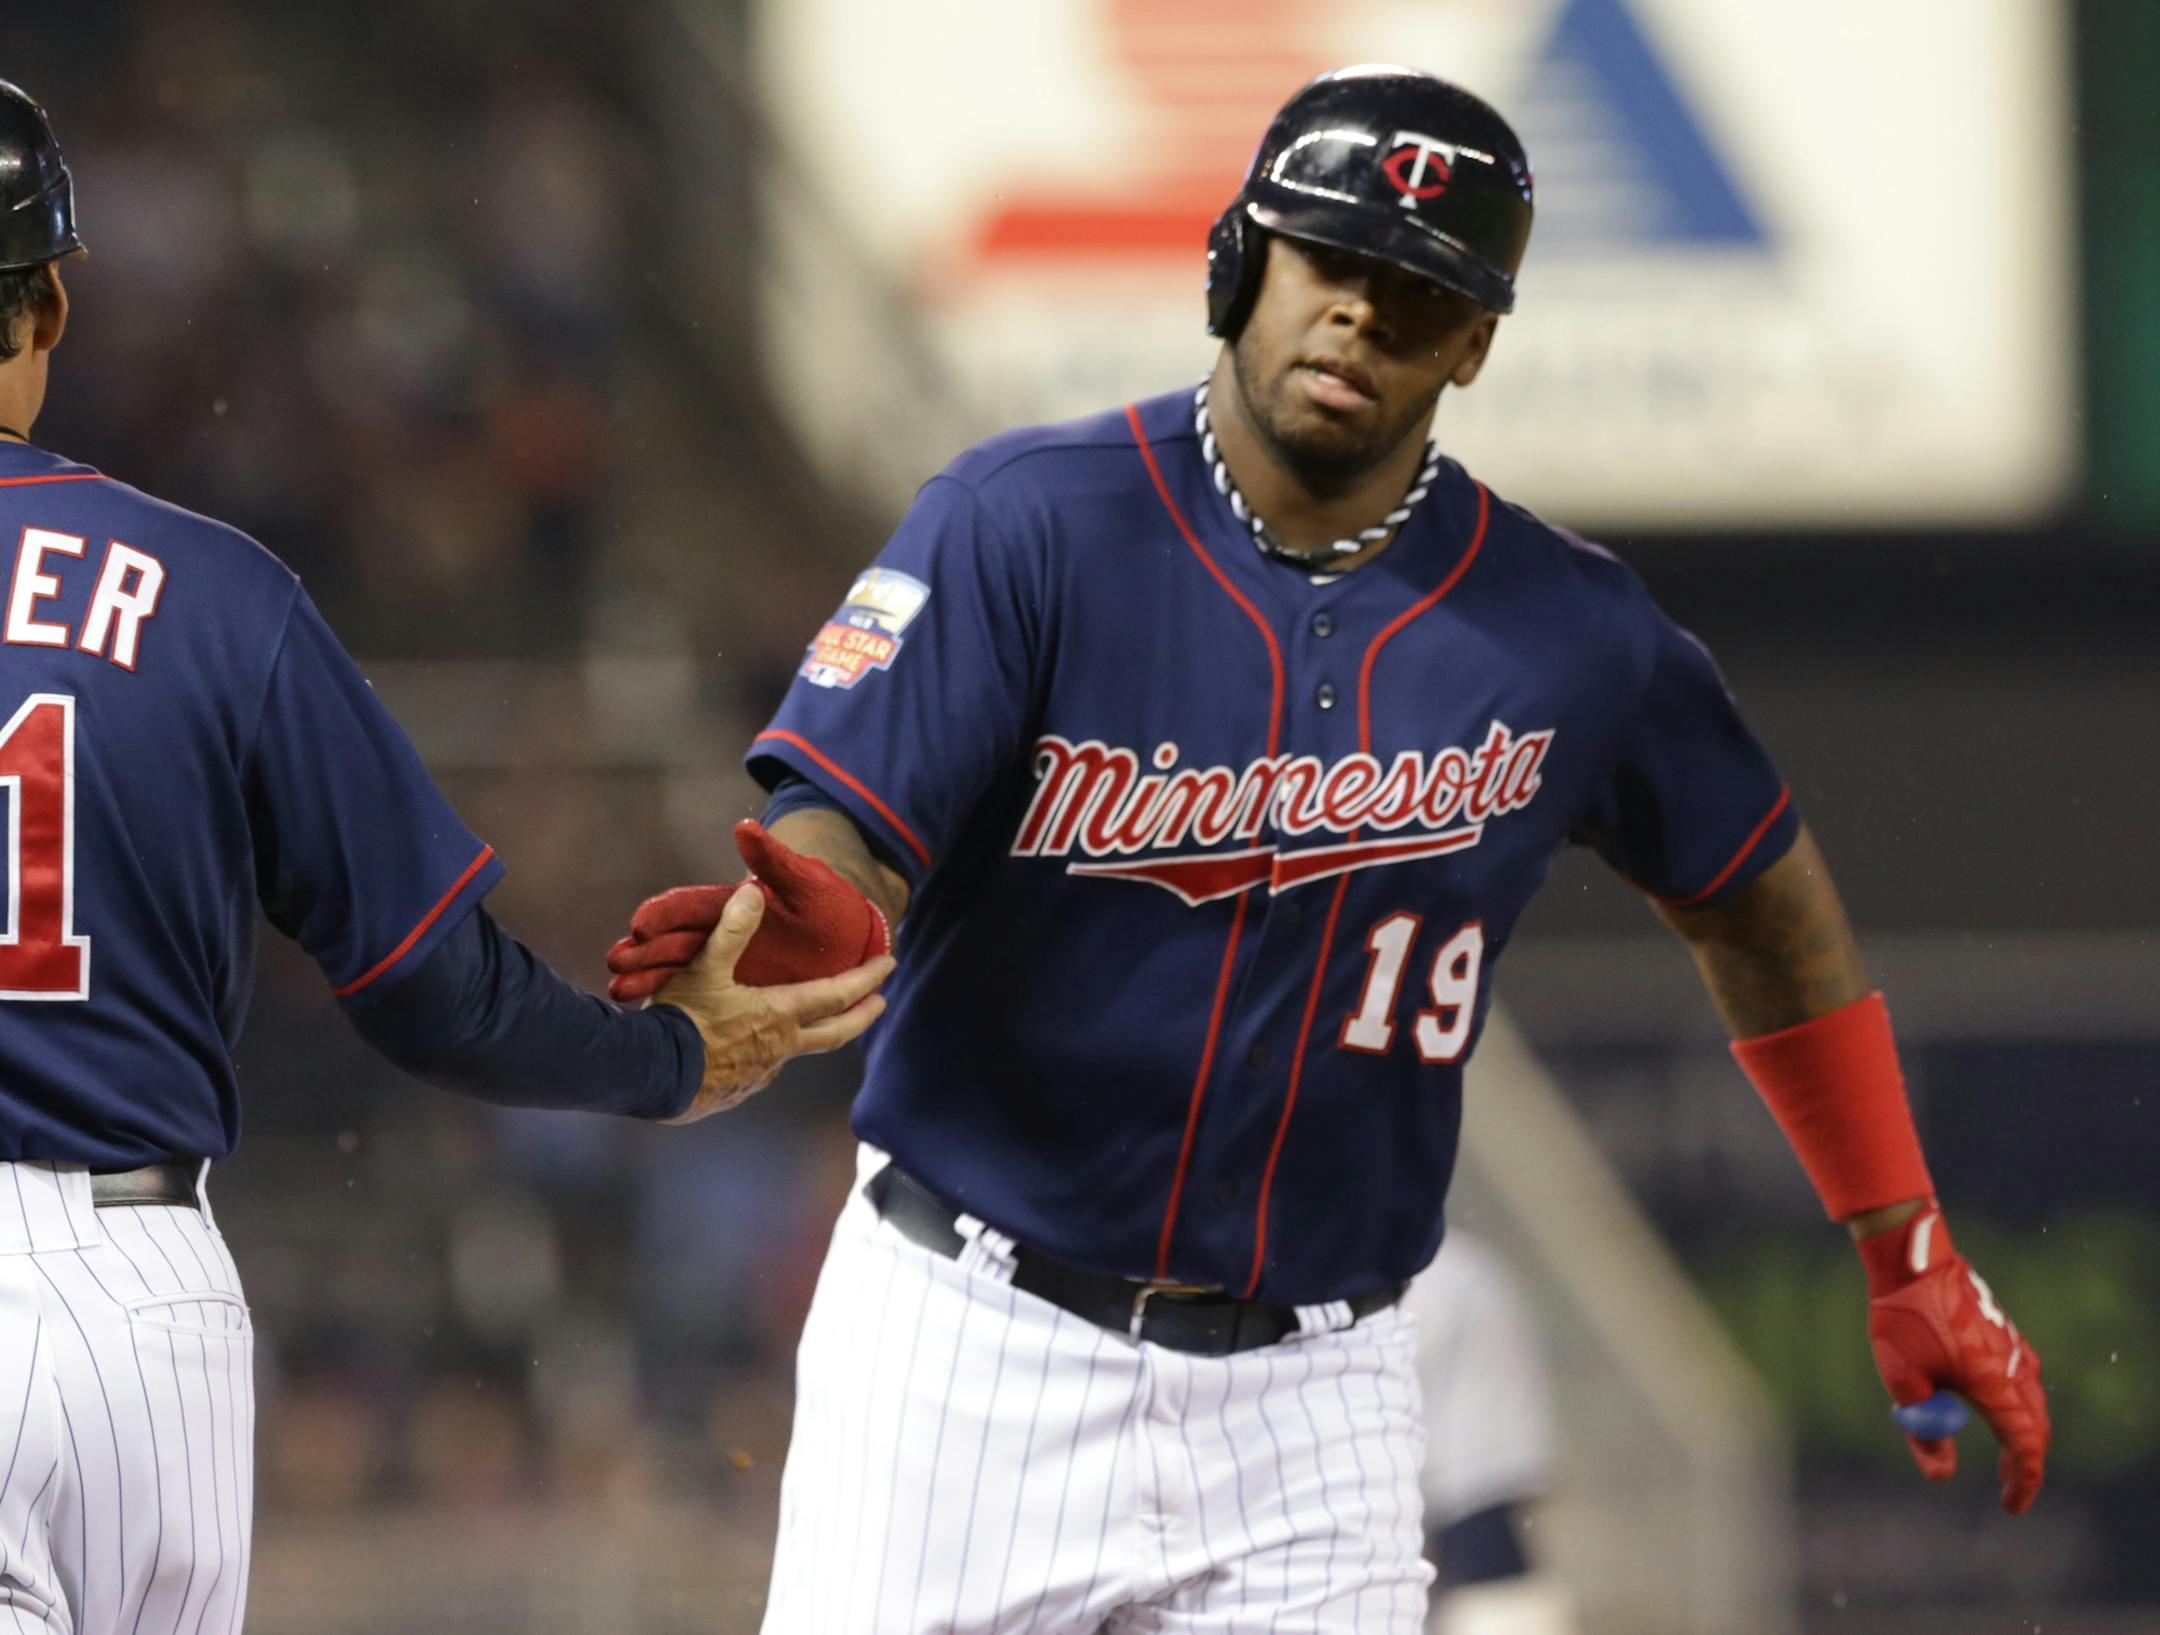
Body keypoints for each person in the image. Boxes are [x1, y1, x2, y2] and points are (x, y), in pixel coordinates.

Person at [607, 64, 2051, 1634]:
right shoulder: (1027, 524)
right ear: (1241, 261)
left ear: (1479, 340)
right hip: (971, 1342)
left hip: (1321, 1390)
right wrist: (811, 911)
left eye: (1419, 293)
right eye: (1331, 262)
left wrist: (1904, 1241)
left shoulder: (1571, 633)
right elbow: (848, 826)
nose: (1361, 316)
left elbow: (1763, 905)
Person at [0, 80, 889, 1635]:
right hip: (135, 1295)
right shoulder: (212, 593)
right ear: (56, 296)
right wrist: (666, 1054)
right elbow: (433, 987)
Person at [1405, 1235, 1578, 1635]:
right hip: (1482, 1467)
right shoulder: (1464, 1261)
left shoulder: (1431, 1268)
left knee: (1496, 1595)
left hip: (1467, 1477)